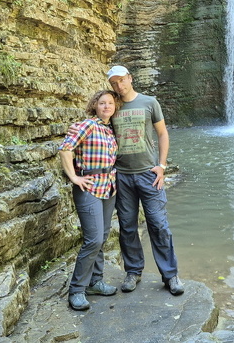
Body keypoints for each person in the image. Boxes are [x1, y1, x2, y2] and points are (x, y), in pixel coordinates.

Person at [106, 64, 184, 296]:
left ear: (130, 78)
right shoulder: (113, 106)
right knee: (127, 226)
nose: (119, 85)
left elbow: (162, 133)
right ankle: (133, 272)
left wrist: (161, 166)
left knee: (158, 225)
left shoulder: (150, 102)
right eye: (114, 83)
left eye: (122, 80)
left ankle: (170, 275)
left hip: (149, 175)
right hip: (122, 176)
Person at [58, 90, 120, 311]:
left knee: (102, 237)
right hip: (89, 187)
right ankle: (76, 290)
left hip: (109, 187)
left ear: (115, 107)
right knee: (93, 239)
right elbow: (66, 149)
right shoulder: (87, 125)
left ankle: (95, 281)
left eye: (110, 103)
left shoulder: (110, 129)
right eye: (102, 103)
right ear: (95, 105)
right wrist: (73, 177)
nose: (106, 106)